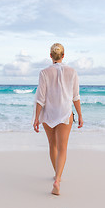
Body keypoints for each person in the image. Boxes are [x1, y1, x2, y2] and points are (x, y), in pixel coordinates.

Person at [33, 43, 83, 195]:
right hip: (65, 113)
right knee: (63, 148)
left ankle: (56, 175)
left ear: (50, 56)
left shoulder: (44, 73)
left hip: (49, 114)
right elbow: (75, 96)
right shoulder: (72, 71)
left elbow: (40, 98)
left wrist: (36, 118)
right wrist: (80, 115)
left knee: (52, 146)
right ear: (63, 55)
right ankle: (58, 179)